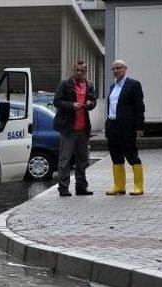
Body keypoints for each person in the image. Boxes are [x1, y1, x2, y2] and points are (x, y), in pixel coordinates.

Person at [52, 60, 98, 197]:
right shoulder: (65, 84)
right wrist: (72, 105)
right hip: (68, 128)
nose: (79, 72)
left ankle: (81, 187)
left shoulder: (89, 85)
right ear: (73, 70)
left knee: (82, 160)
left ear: (85, 72)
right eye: (77, 70)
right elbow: (57, 101)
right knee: (65, 160)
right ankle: (63, 188)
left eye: (82, 70)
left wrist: (90, 103)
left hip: (83, 129)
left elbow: (93, 101)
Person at [105, 59, 145, 196]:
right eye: (114, 69)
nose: (116, 71)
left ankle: (138, 185)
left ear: (125, 69)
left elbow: (139, 107)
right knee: (115, 156)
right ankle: (119, 186)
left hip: (126, 127)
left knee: (131, 154)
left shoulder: (133, 85)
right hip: (112, 125)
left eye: (118, 68)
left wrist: (139, 126)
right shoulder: (112, 87)